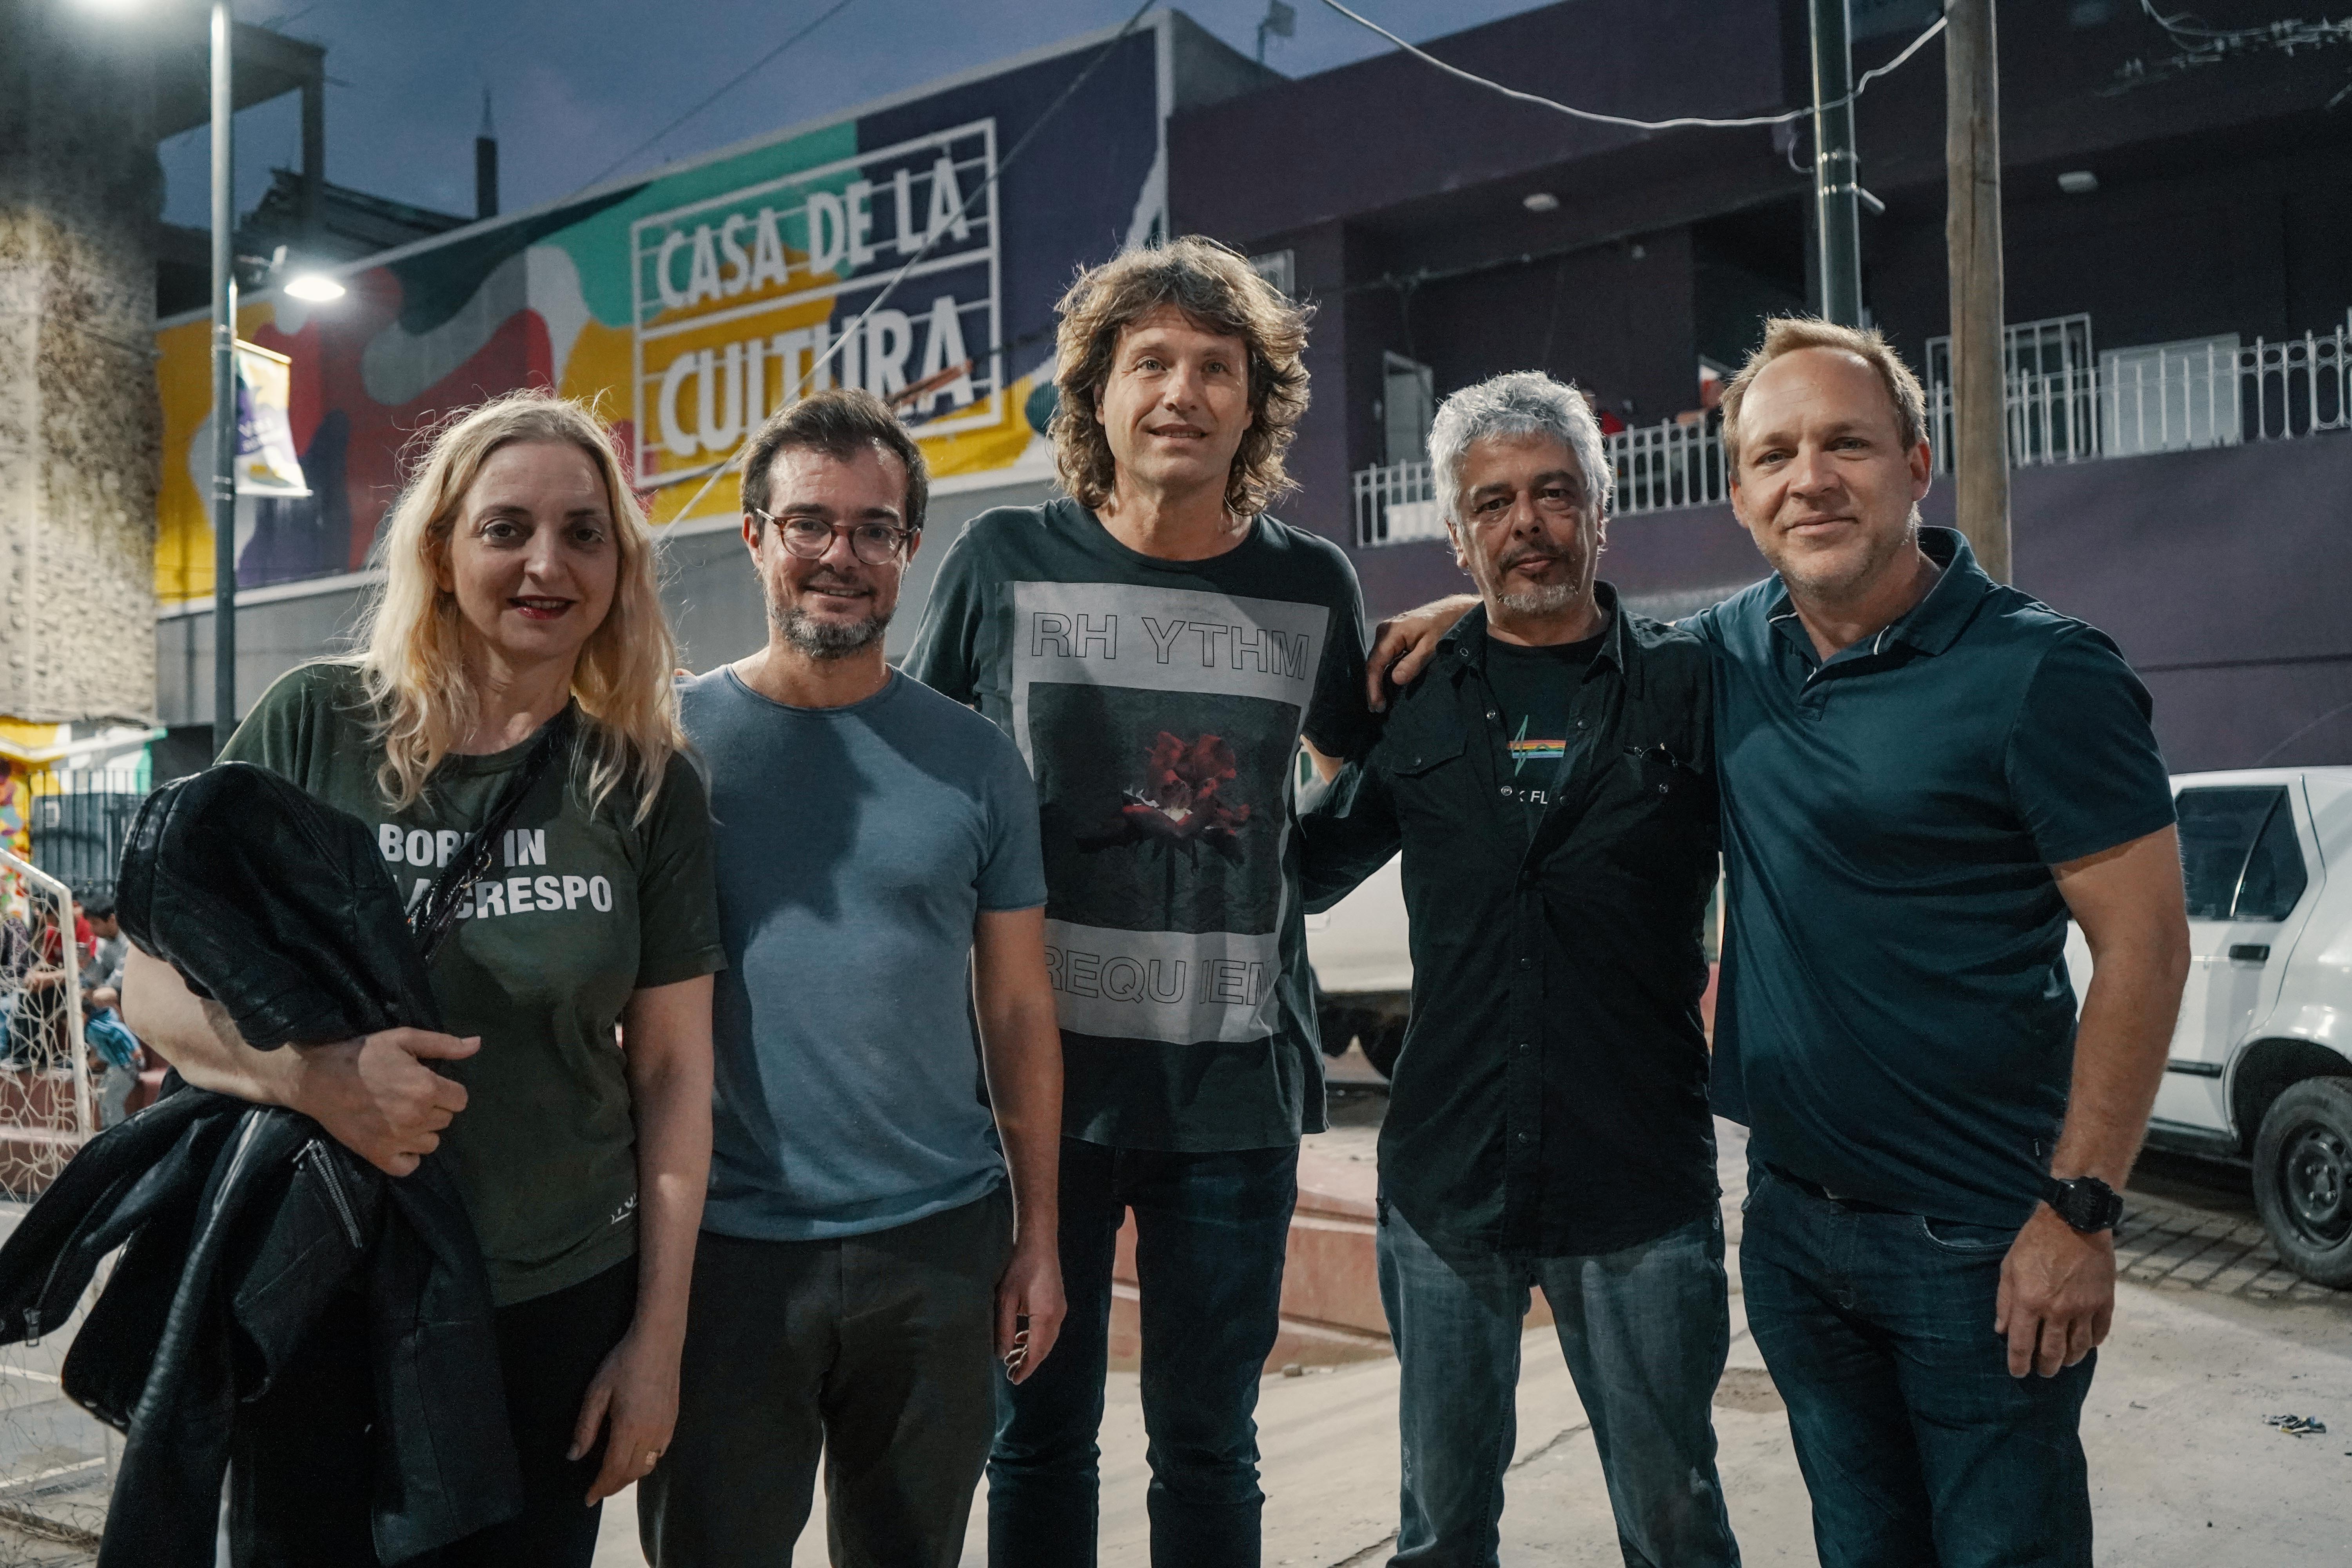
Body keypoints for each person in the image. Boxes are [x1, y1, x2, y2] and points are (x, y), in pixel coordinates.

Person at [1365, 319, 2190, 1568]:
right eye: (1778, 454)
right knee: (1863, 1543)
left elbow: (2148, 951)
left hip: (1981, 1233)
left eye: (1846, 444)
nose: (1812, 477)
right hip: (1798, 1227)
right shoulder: (1728, 655)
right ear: (1742, 496)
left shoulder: (2042, 673)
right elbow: (1569, 634)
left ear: (1917, 464)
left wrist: (2079, 1212)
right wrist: (1477, 610)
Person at [122, 390, 723, 1567]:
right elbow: (152, 986)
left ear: (619, 564)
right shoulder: (315, 726)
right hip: (323, 1289)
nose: (546, 563)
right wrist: (315, 1076)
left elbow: (675, 1078)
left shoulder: (647, 784)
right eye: (506, 529)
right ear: (442, 551)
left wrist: (658, 1342)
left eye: (583, 532)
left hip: (552, 1298)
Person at [905, 236, 1376, 1567]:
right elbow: (925, 782)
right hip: (1032, 1099)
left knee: (1210, 1445)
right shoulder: (1000, 562)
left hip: (1234, 1100)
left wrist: (1284, 881)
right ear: (1096, 397)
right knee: (1036, 1437)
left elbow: (1367, 773)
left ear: (1255, 403)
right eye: (1149, 361)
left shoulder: (1312, 583)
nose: (1182, 391)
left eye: (1216, 367)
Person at [1296, 372, 1739, 1567]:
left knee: (1674, 1520)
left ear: (1603, 510)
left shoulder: (1692, 690)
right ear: (1457, 530)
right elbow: (1309, 868)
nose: (1524, 524)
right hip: (1447, 1184)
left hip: (1638, 1183)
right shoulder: (1418, 700)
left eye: (1553, 494)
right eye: (1491, 504)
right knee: (1440, 1529)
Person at [642, 389, 1066, 1567]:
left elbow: (1021, 1009)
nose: (842, 555)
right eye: (811, 524)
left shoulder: (977, 761)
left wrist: (1038, 1236)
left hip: (936, 1250)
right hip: (725, 1256)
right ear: (755, 537)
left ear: (909, 552)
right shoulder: (664, 752)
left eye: (875, 529)